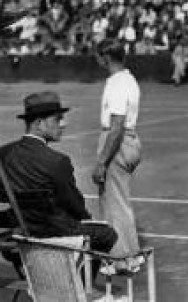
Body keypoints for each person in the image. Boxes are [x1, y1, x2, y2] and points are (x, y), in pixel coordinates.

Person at [0, 91, 118, 277]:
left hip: (21, 233)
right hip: (52, 233)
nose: (63, 124)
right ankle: (80, 286)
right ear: (39, 123)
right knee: (107, 234)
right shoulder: (57, 161)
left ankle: (37, 278)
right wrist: (85, 218)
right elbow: (75, 206)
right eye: (57, 119)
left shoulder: (4, 154)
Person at [91, 39, 143, 272]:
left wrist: (101, 161)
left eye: (98, 56)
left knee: (114, 203)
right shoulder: (127, 79)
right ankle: (129, 254)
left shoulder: (118, 83)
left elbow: (117, 125)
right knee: (119, 200)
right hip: (128, 141)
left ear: (105, 57)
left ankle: (122, 258)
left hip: (118, 142)